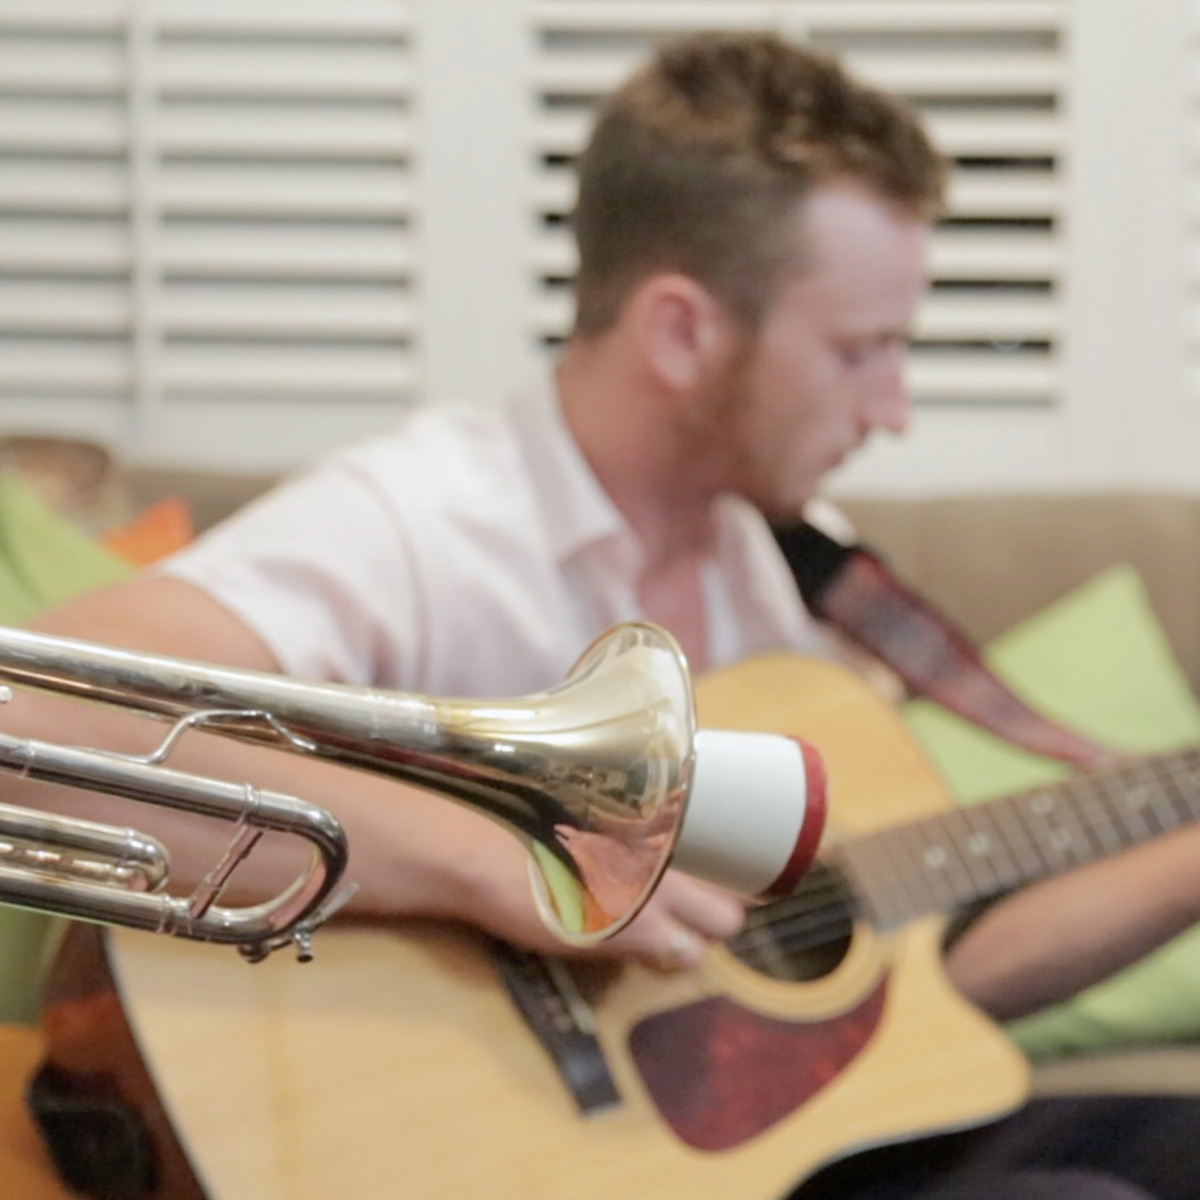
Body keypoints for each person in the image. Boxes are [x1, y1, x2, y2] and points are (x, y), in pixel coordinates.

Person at [7, 29, 1200, 1200]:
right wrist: (500, 864)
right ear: (682, 331)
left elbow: (901, 1004)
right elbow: (34, 725)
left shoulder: (785, 569)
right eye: (860, 351)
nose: (894, 409)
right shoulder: (425, 520)